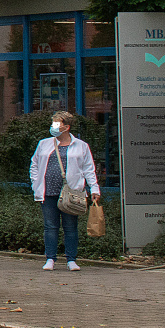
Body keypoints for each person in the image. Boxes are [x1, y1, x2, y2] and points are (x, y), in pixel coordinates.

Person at [29, 110, 100, 271]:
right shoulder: (44, 143)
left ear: (66, 127)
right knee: (50, 226)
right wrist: (35, 183)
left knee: (70, 226)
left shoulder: (81, 146)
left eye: (57, 124)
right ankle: (50, 259)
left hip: (72, 193)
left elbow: (89, 169)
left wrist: (94, 188)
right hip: (48, 192)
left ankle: (71, 259)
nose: (53, 127)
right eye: (53, 123)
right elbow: (34, 164)